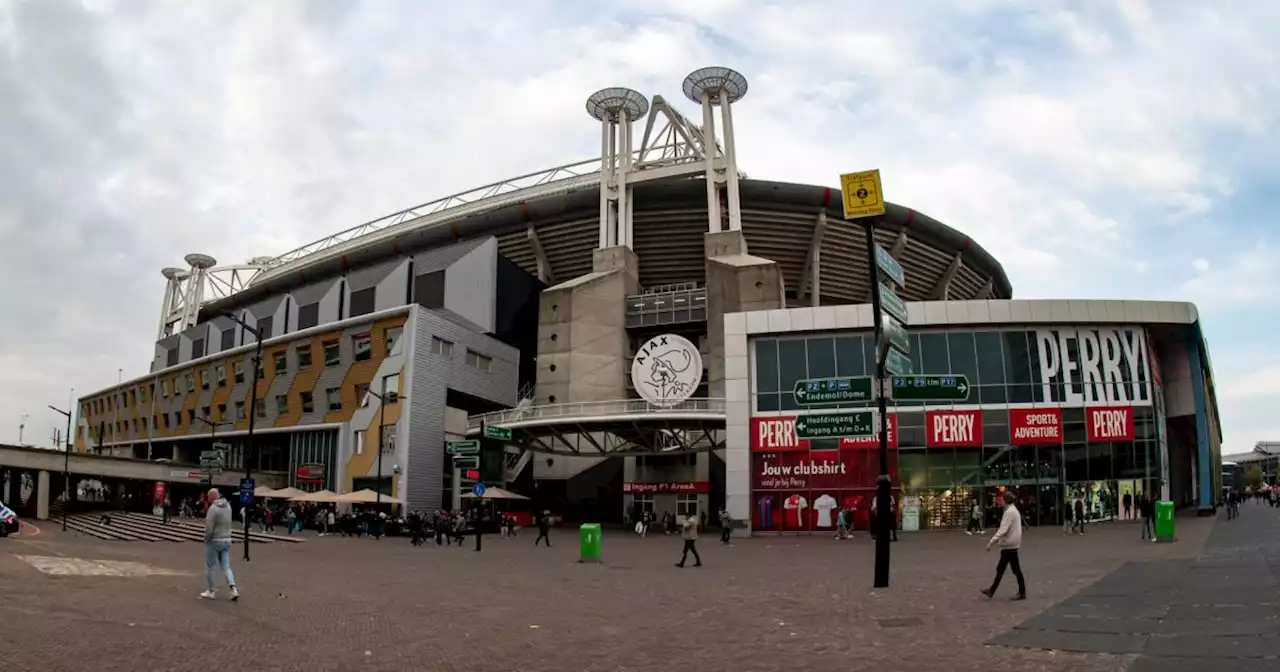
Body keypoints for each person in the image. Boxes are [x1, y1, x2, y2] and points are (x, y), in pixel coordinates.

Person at [981, 491, 1025, 601]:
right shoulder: (1013, 510)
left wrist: (992, 541)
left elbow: (1003, 530)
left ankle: (1021, 592)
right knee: (1004, 568)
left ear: (1005, 500)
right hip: (1012, 544)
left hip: (1009, 545)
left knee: (1013, 569)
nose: (1000, 502)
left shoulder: (1009, 512)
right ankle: (992, 590)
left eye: (1002, 500)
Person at [201, 488, 239, 601]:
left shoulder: (213, 509)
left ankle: (211, 591)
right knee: (226, 566)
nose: (207, 499)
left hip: (214, 541)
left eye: (208, 496)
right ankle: (233, 589)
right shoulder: (228, 506)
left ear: (212, 497)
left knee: (211, 567)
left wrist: (206, 539)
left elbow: (209, 528)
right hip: (226, 539)